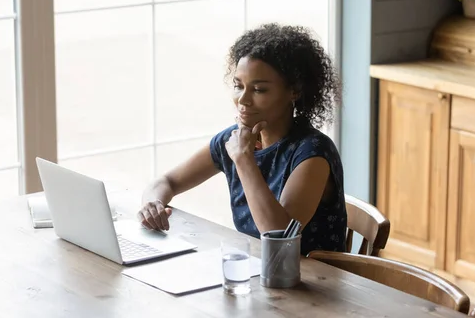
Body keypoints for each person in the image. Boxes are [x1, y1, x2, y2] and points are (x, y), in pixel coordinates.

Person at [138, 23, 347, 255]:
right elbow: (167, 182)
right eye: (239, 86)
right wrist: (152, 204)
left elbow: (280, 236)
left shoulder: (313, 153)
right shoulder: (234, 139)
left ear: (294, 91)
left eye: (259, 90)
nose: (243, 100)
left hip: (313, 282)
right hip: (258, 270)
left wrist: (244, 159)